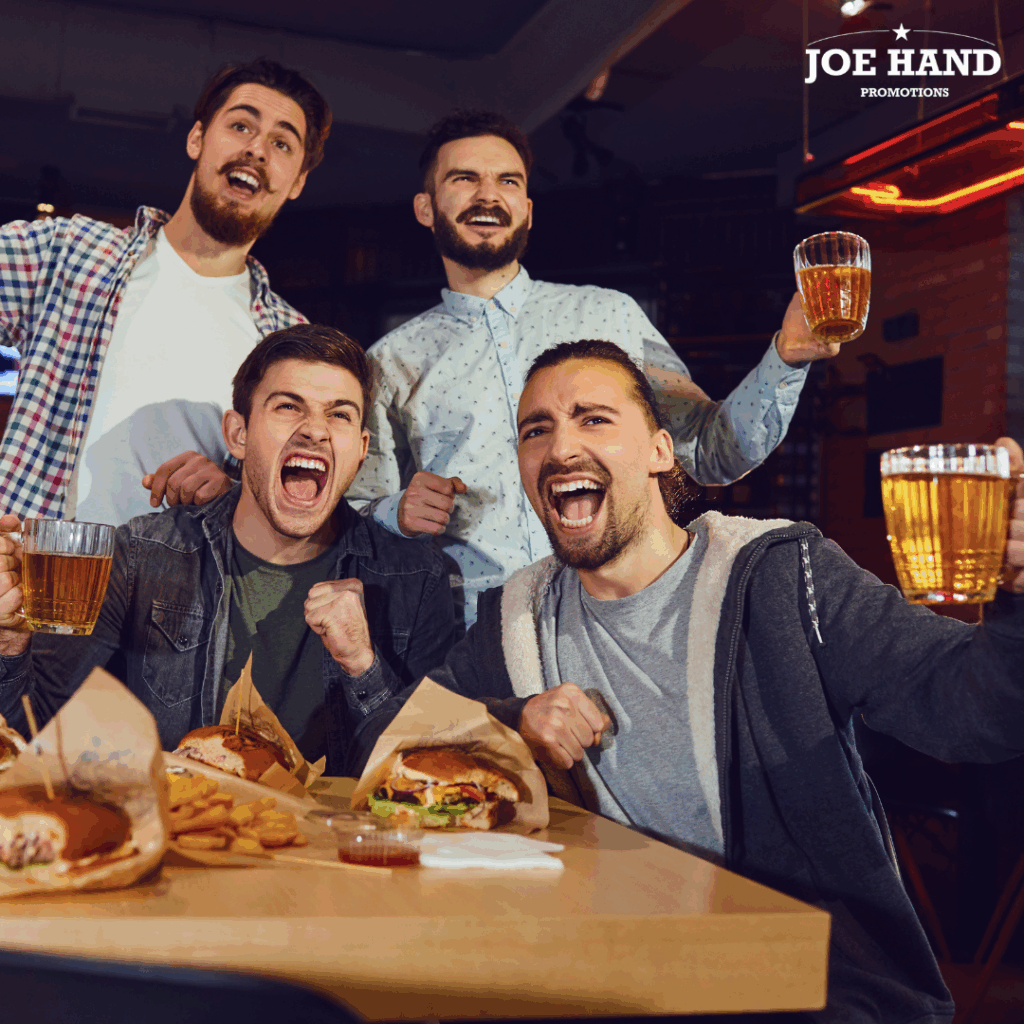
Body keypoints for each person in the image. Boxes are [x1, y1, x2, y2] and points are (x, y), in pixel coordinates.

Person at [353, 340, 1024, 1023]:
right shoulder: (516, 620)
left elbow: (976, 712)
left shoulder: (784, 577)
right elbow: (386, 745)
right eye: (536, 431)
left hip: (799, 991)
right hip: (608, 976)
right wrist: (511, 720)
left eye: (593, 419)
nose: (560, 449)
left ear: (660, 452)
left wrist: (1019, 600)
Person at [347, 110, 839, 630]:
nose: (488, 195)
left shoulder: (611, 314)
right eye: (464, 179)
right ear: (426, 207)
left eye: (507, 181)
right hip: (480, 634)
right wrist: (397, 511)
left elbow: (712, 449)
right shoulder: (388, 361)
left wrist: (787, 357)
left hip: (629, 619)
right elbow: (355, 507)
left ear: (527, 209)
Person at [0, 325, 455, 775]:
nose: (315, 430)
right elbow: (36, 736)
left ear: (360, 449)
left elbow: (428, 777)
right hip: (181, 820)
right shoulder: (140, 557)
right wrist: (10, 641)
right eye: (288, 406)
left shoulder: (416, 578)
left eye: (339, 415)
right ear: (238, 434)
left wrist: (361, 664)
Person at [0, 58, 331, 526]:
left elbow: (292, 506)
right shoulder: (70, 252)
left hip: (182, 574)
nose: (257, 149)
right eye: (241, 126)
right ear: (197, 138)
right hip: (36, 562)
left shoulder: (289, 343)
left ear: (296, 182)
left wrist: (233, 496)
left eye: (281, 143)